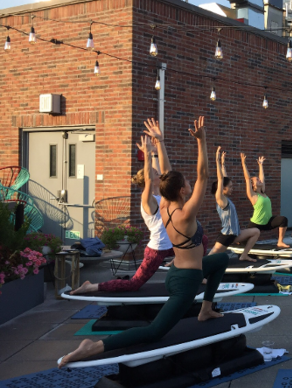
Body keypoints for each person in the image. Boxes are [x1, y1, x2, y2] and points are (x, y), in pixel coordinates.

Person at [59, 116, 229, 367]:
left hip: (177, 272)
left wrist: (160, 143)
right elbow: (203, 175)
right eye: (187, 184)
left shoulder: (166, 205)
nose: (191, 184)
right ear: (182, 191)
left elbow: (167, 174)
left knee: (222, 258)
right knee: (154, 332)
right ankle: (92, 347)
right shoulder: (184, 214)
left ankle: (205, 309)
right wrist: (201, 142)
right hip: (185, 281)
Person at [71, 119, 174, 295]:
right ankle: (91, 286)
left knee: (199, 239)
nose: (159, 175)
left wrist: (160, 143)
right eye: (156, 173)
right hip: (157, 248)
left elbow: (169, 173)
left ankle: (185, 265)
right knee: (134, 284)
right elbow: (150, 177)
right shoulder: (148, 199)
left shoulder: (163, 195)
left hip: (173, 244)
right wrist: (148, 155)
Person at [208, 148, 260, 261]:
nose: (232, 188)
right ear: (223, 188)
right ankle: (197, 275)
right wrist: (217, 161)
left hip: (235, 234)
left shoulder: (226, 198)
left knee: (256, 231)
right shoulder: (220, 199)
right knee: (208, 259)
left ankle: (244, 255)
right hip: (227, 236)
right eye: (230, 187)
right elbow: (221, 179)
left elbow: (224, 178)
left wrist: (223, 164)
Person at [242, 154, 290, 248]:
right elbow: (247, 179)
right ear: (253, 186)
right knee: (243, 242)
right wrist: (244, 163)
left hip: (268, 222)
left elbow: (262, 178)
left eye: (259, 179)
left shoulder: (263, 192)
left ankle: (280, 241)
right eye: (257, 180)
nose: (259, 180)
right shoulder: (253, 195)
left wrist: (260, 165)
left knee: (283, 220)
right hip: (256, 223)